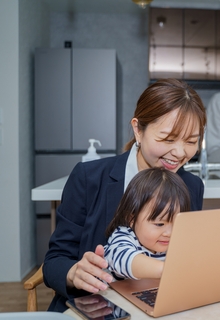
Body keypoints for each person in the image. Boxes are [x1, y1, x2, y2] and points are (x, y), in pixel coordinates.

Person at [43, 78, 206, 312]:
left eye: (191, 141)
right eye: (167, 139)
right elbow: (54, 262)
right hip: (95, 309)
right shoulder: (89, 178)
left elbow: (188, 257)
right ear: (138, 130)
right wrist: (73, 273)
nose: (180, 153)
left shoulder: (191, 186)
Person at [104, 167, 190, 280]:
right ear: (131, 219)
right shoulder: (123, 236)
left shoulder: (175, 242)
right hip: (111, 296)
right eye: (159, 224)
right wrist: (166, 270)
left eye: (177, 224)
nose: (169, 233)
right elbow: (125, 258)